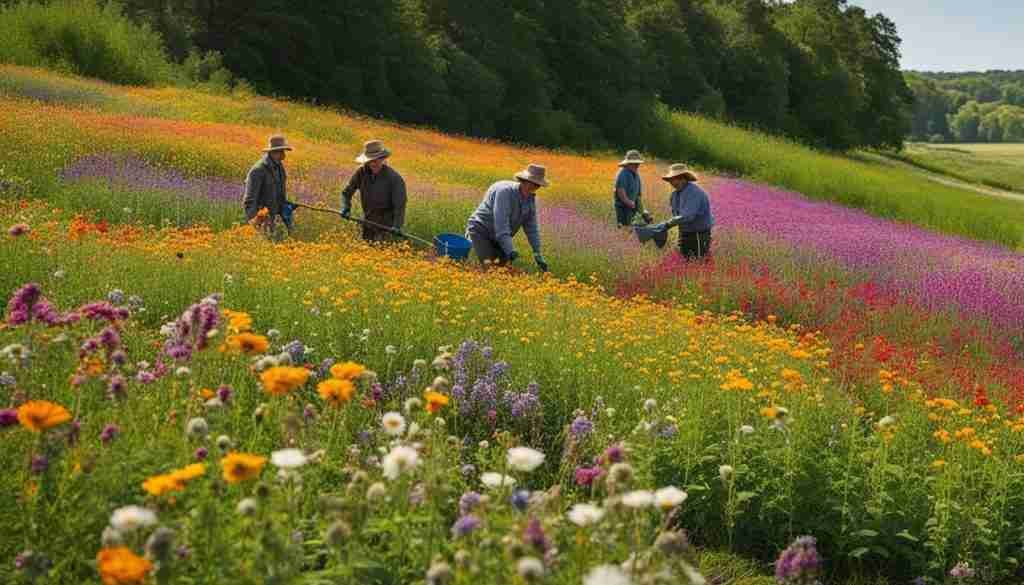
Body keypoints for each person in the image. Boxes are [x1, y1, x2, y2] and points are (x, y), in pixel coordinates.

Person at [466, 164, 549, 272]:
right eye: (532, 183)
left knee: (502, 271)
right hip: (481, 231)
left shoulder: (530, 200)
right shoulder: (505, 193)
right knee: (489, 268)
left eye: (537, 185)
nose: (534, 187)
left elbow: (531, 229)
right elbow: (501, 224)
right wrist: (510, 249)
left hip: (499, 238)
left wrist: (537, 252)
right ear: (523, 180)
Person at [340, 140, 407, 241]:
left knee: (381, 252)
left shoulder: (394, 178)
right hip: (368, 223)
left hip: (386, 227)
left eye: (376, 160)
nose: (373, 164)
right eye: (370, 161)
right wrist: (346, 207)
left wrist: (397, 226)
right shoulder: (361, 173)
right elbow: (346, 193)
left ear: (382, 159)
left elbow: (400, 205)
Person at [243, 135, 297, 239]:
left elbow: (279, 194)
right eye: (281, 152)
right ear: (273, 152)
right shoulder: (258, 170)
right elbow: (249, 201)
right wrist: (255, 224)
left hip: (272, 219)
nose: (283, 155)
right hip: (261, 219)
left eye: (284, 151)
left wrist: (286, 205)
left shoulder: (279, 167)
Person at [662, 163, 714, 260]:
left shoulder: (694, 192)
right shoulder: (674, 195)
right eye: (671, 180)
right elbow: (676, 215)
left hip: (698, 234)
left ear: (684, 179)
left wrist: (667, 224)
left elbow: (687, 216)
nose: (673, 182)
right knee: (685, 264)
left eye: (676, 179)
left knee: (699, 263)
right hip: (684, 233)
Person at [613, 150, 652, 227]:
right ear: (628, 163)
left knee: (633, 228)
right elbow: (621, 191)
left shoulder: (636, 175)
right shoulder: (623, 174)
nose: (637, 165)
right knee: (624, 228)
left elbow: (638, 196)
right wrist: (629, 202)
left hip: (632, 207)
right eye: (634, 163)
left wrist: (643, 211)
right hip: (623, 208)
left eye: (637, 163)